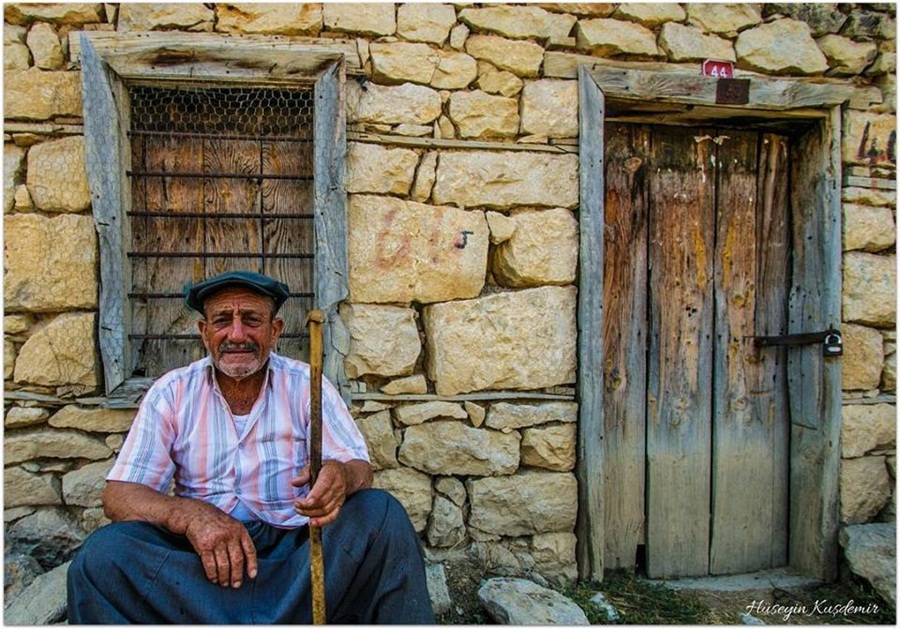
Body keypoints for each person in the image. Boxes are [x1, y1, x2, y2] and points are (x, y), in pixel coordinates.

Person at [67, 270, 435, 624]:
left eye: (252, 320)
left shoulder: (306, 384)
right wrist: (191, 516)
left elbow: (359, 468)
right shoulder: (172, 392)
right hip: (200, 567)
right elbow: (119, 496)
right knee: (102, 557)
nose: (237, 334)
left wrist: (340, 477)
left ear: (275, 330)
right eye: (223, 319)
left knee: (381, 514)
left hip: (298, 562)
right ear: (204, 331)